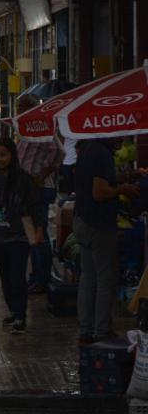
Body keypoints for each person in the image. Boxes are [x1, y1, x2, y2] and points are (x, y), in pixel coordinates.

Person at [73, 139, 141, 345]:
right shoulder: (101, 153)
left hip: (82, 220)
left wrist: (129, 176)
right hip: (98, 223)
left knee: (88, 277)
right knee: (105, 279)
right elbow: (100, 192)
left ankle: (86, 330)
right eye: (119, 134)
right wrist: (123, 189)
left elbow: (100, 179)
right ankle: (102, 330)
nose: (122, 139)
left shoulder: (87, 147)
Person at [0, 137, 43, 335]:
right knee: (5, 277)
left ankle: (21, 314)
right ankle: (14, 311)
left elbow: (36, 205)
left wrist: (39, 229)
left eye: (4, 155)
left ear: (12, 155)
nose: (0, 159)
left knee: (16, 276)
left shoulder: (23, 179)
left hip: (18, 237)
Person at [15, 94, 63, 295]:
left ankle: (41, 279)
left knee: (38, 235)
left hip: (39, 190)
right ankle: (36, 276)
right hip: (26, 191)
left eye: (22, 107)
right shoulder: (26, 130)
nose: (18, 111)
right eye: (18, 107)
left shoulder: (42, 127)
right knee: (31, 235)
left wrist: (41, 175)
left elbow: (59, 152)